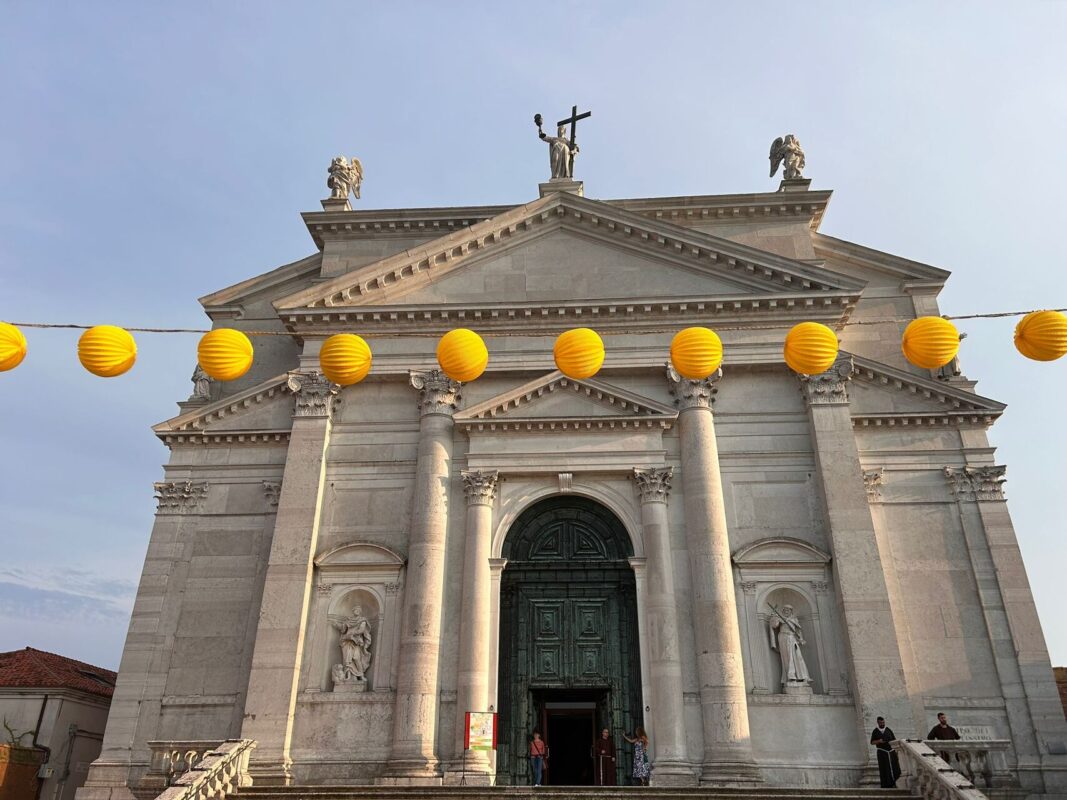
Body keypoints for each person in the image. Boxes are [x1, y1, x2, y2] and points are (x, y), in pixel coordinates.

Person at [870, 716, 901, 788]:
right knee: (884, 768)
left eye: (883, 722)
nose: (882, 724)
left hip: (891, 752)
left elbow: (894, 740)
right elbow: (872, 742)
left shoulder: (888, 730)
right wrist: (879, 741)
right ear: (878, 723)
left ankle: (895, 782)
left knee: (895, 768)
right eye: (881, 723)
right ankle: (886, 784)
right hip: (882, 753)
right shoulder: (875, 731)